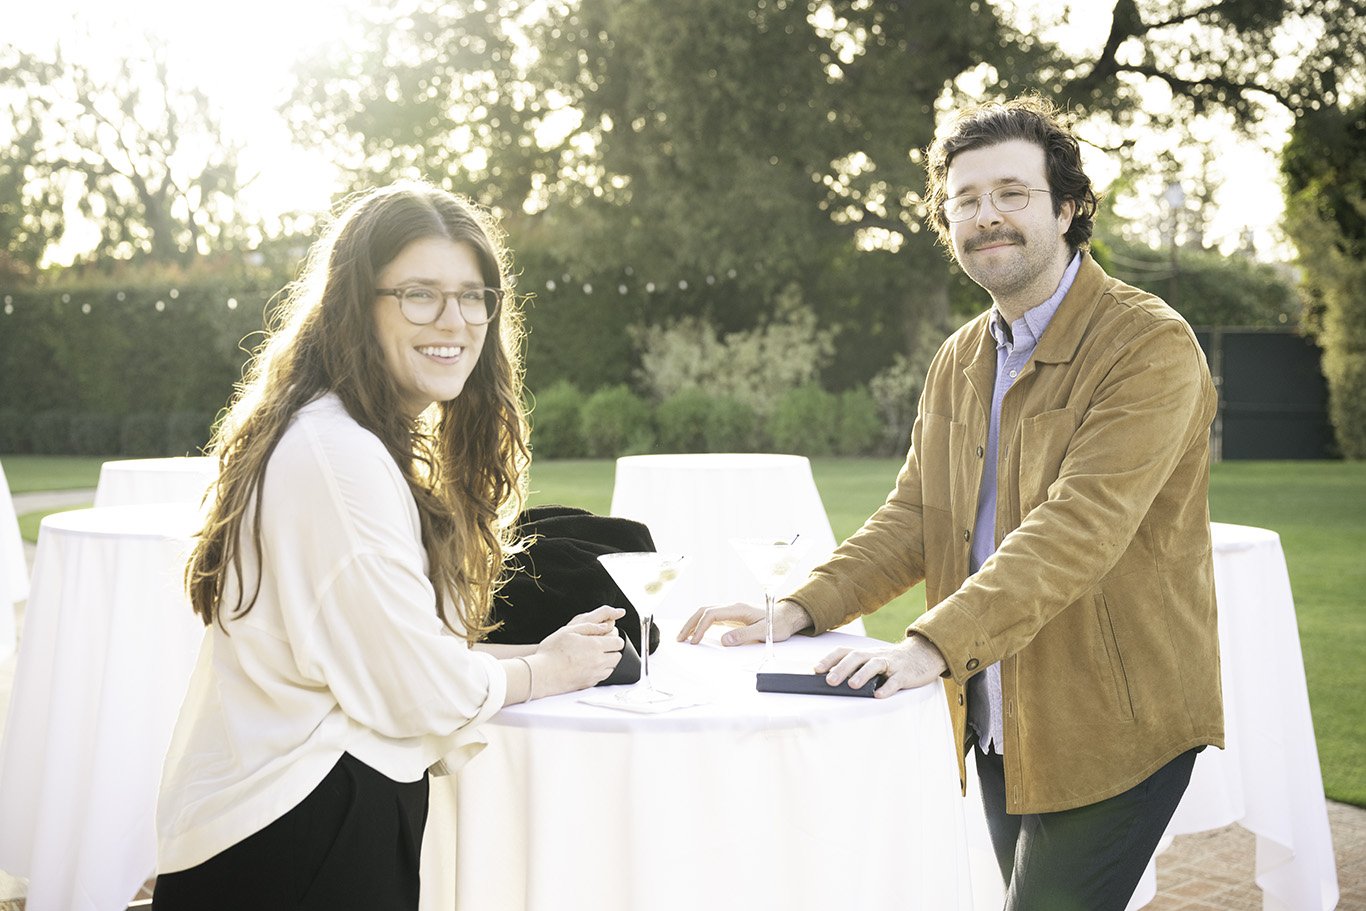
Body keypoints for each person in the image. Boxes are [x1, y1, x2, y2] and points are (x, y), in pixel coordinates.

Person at [679, 95, 1222, 910]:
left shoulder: (1149, 344)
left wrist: (929, 646)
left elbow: (1076, 529)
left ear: (1067, 207)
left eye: (1012, 193)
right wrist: (794, 608)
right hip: (999, 712)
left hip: (1117, 718)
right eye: (966, 200)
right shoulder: (961, 356)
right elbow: (913, 519)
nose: (986, 216)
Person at [152, 182, 624, 910]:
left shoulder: (346, 434)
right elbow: (416, 690)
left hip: (298, 819)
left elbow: (387, 649)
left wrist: (549, 653)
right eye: (419, 294)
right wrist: (540, 671)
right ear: (356, 305)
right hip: (298, 833)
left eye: (473, 296)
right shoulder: (340, 456)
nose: (454, 320)